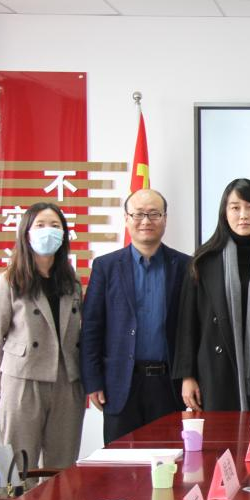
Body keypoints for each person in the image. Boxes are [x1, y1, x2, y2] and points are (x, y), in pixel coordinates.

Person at [79, 189, 189, 444]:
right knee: (121, 462)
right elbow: (92, 327)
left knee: (168, 459)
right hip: (120, 383)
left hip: (168, 385)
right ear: (126, 219)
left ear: (165, 219)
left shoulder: (185, 266)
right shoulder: (106, 266)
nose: (146, 221)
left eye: (154, 214)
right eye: (138, 214)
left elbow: (192, 328)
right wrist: (93, 381)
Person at [173, 178, 250, 411]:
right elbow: (188, 322)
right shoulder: (204, 259)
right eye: (235, 207)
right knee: (220, 433)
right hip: (215, 372)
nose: (243, 215)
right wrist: (187, 376)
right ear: (224, 212)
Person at [0, 202, 84, 468]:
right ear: (26, 233)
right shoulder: (9, 280)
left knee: (62, 464)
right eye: (40, 225)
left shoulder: (71, 282)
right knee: (17, 465)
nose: (48, 231)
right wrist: (3, 384)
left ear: (63, 235)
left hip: (66, 380)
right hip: (23, 380)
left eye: (55, 225)